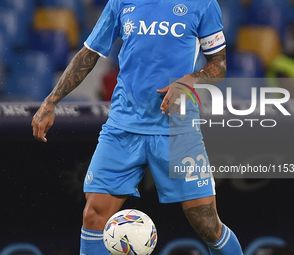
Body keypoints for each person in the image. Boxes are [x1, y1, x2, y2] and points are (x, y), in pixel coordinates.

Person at [32, 0, 243, 254]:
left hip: (176, 129)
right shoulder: (120, 2)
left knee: (207, 224)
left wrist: (190, 80)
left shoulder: (203, 4)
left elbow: (218, 65)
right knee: (94, 216)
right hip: (123, 126)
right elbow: (89, 53)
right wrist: (51, 101)